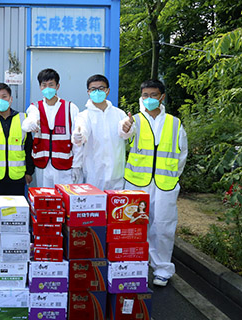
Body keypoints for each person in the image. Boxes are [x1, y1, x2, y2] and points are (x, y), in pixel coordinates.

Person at [119, 79, 188, 287]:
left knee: (163, 226)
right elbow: (123, 134)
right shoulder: (133, 121)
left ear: (162, 97)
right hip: (136, 182)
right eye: (145, 95)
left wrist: (173, 176)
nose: (149, 99)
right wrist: (125, 126)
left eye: (153, 95)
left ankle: (162, 269)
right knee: (134, 225)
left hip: (165, 183)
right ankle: (133, 265)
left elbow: (182, 155)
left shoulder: (175, 123)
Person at [22, 68, 83, 187]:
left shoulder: (70, 108)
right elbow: (26, 124)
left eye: (51, 85)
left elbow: (77, 140)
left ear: (57, 86)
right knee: (45, 195)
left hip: (64, 165)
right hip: (43, 164)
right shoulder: (35, 107)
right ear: (40, 87)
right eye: (44, 85)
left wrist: (77, 165)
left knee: (64, 195)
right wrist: (32, 123)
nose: (47, 88)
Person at [72, 74, 127, 190]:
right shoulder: (84, 115)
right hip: (93, 174)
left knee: (115, 201)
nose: (97, 92)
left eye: (101, 88)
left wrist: (128, 128)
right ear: (88, 92)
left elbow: (127, 133)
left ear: (107, 91)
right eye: (93, 89)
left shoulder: (119, 114)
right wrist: (79, 135)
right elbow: (82, 130)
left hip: (116, 174)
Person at [0, 82, 34, 196]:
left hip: (17, 178)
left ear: (11, 99)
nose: (0, 100)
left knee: (15, 207)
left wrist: (29, 172)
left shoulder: (23, 119)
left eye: (4, 96)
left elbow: (29, 147)